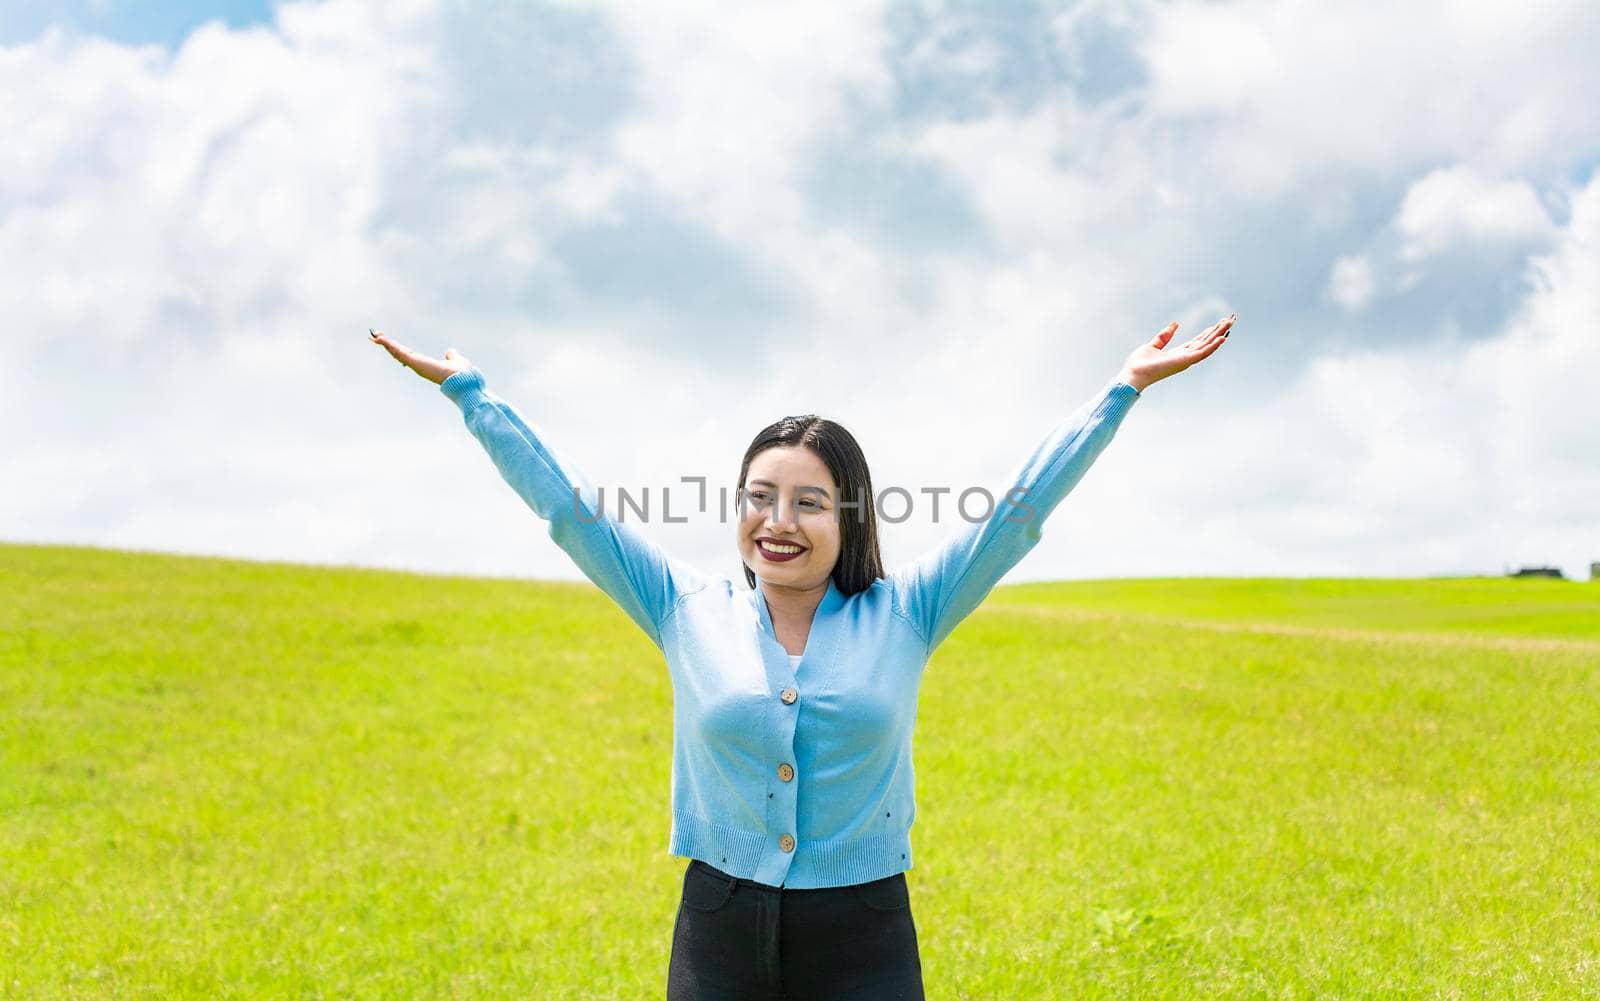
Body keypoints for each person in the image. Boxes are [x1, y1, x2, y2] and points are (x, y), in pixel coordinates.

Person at [369, 314, 1233, 1000]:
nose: (778, 521)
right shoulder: (680, 607)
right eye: (759, 498)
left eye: (808, 502)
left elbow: (1017, 511)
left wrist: (1121, 389)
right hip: (717, 928)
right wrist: (472, 394)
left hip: (863, 932)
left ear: (849, 516)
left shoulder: (910, 610)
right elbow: (568, 511)